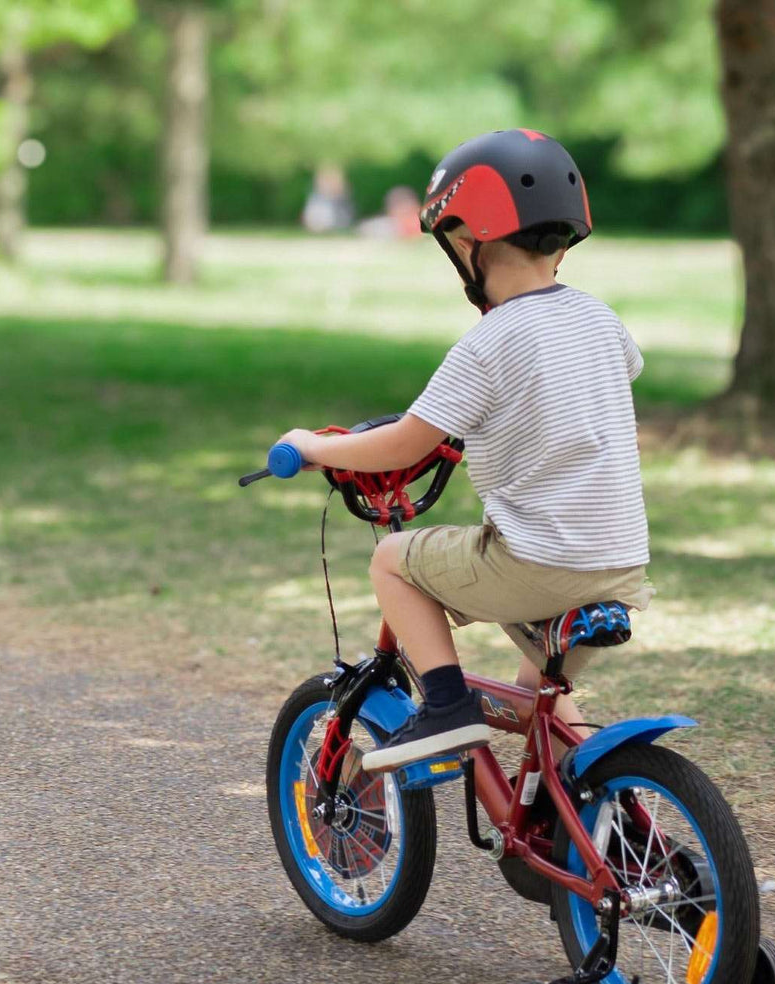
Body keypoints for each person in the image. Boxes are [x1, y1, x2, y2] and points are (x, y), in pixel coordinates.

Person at [279, 129, 651, 771]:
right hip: (618, 565)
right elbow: (582, 386)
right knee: (541, 700)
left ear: (469, 240)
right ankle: (595, 818)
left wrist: (316, 447)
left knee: (394, 561)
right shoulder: (600, 319)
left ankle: (447, 708)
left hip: (537, 563)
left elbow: (404, 445)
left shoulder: (488, 342)